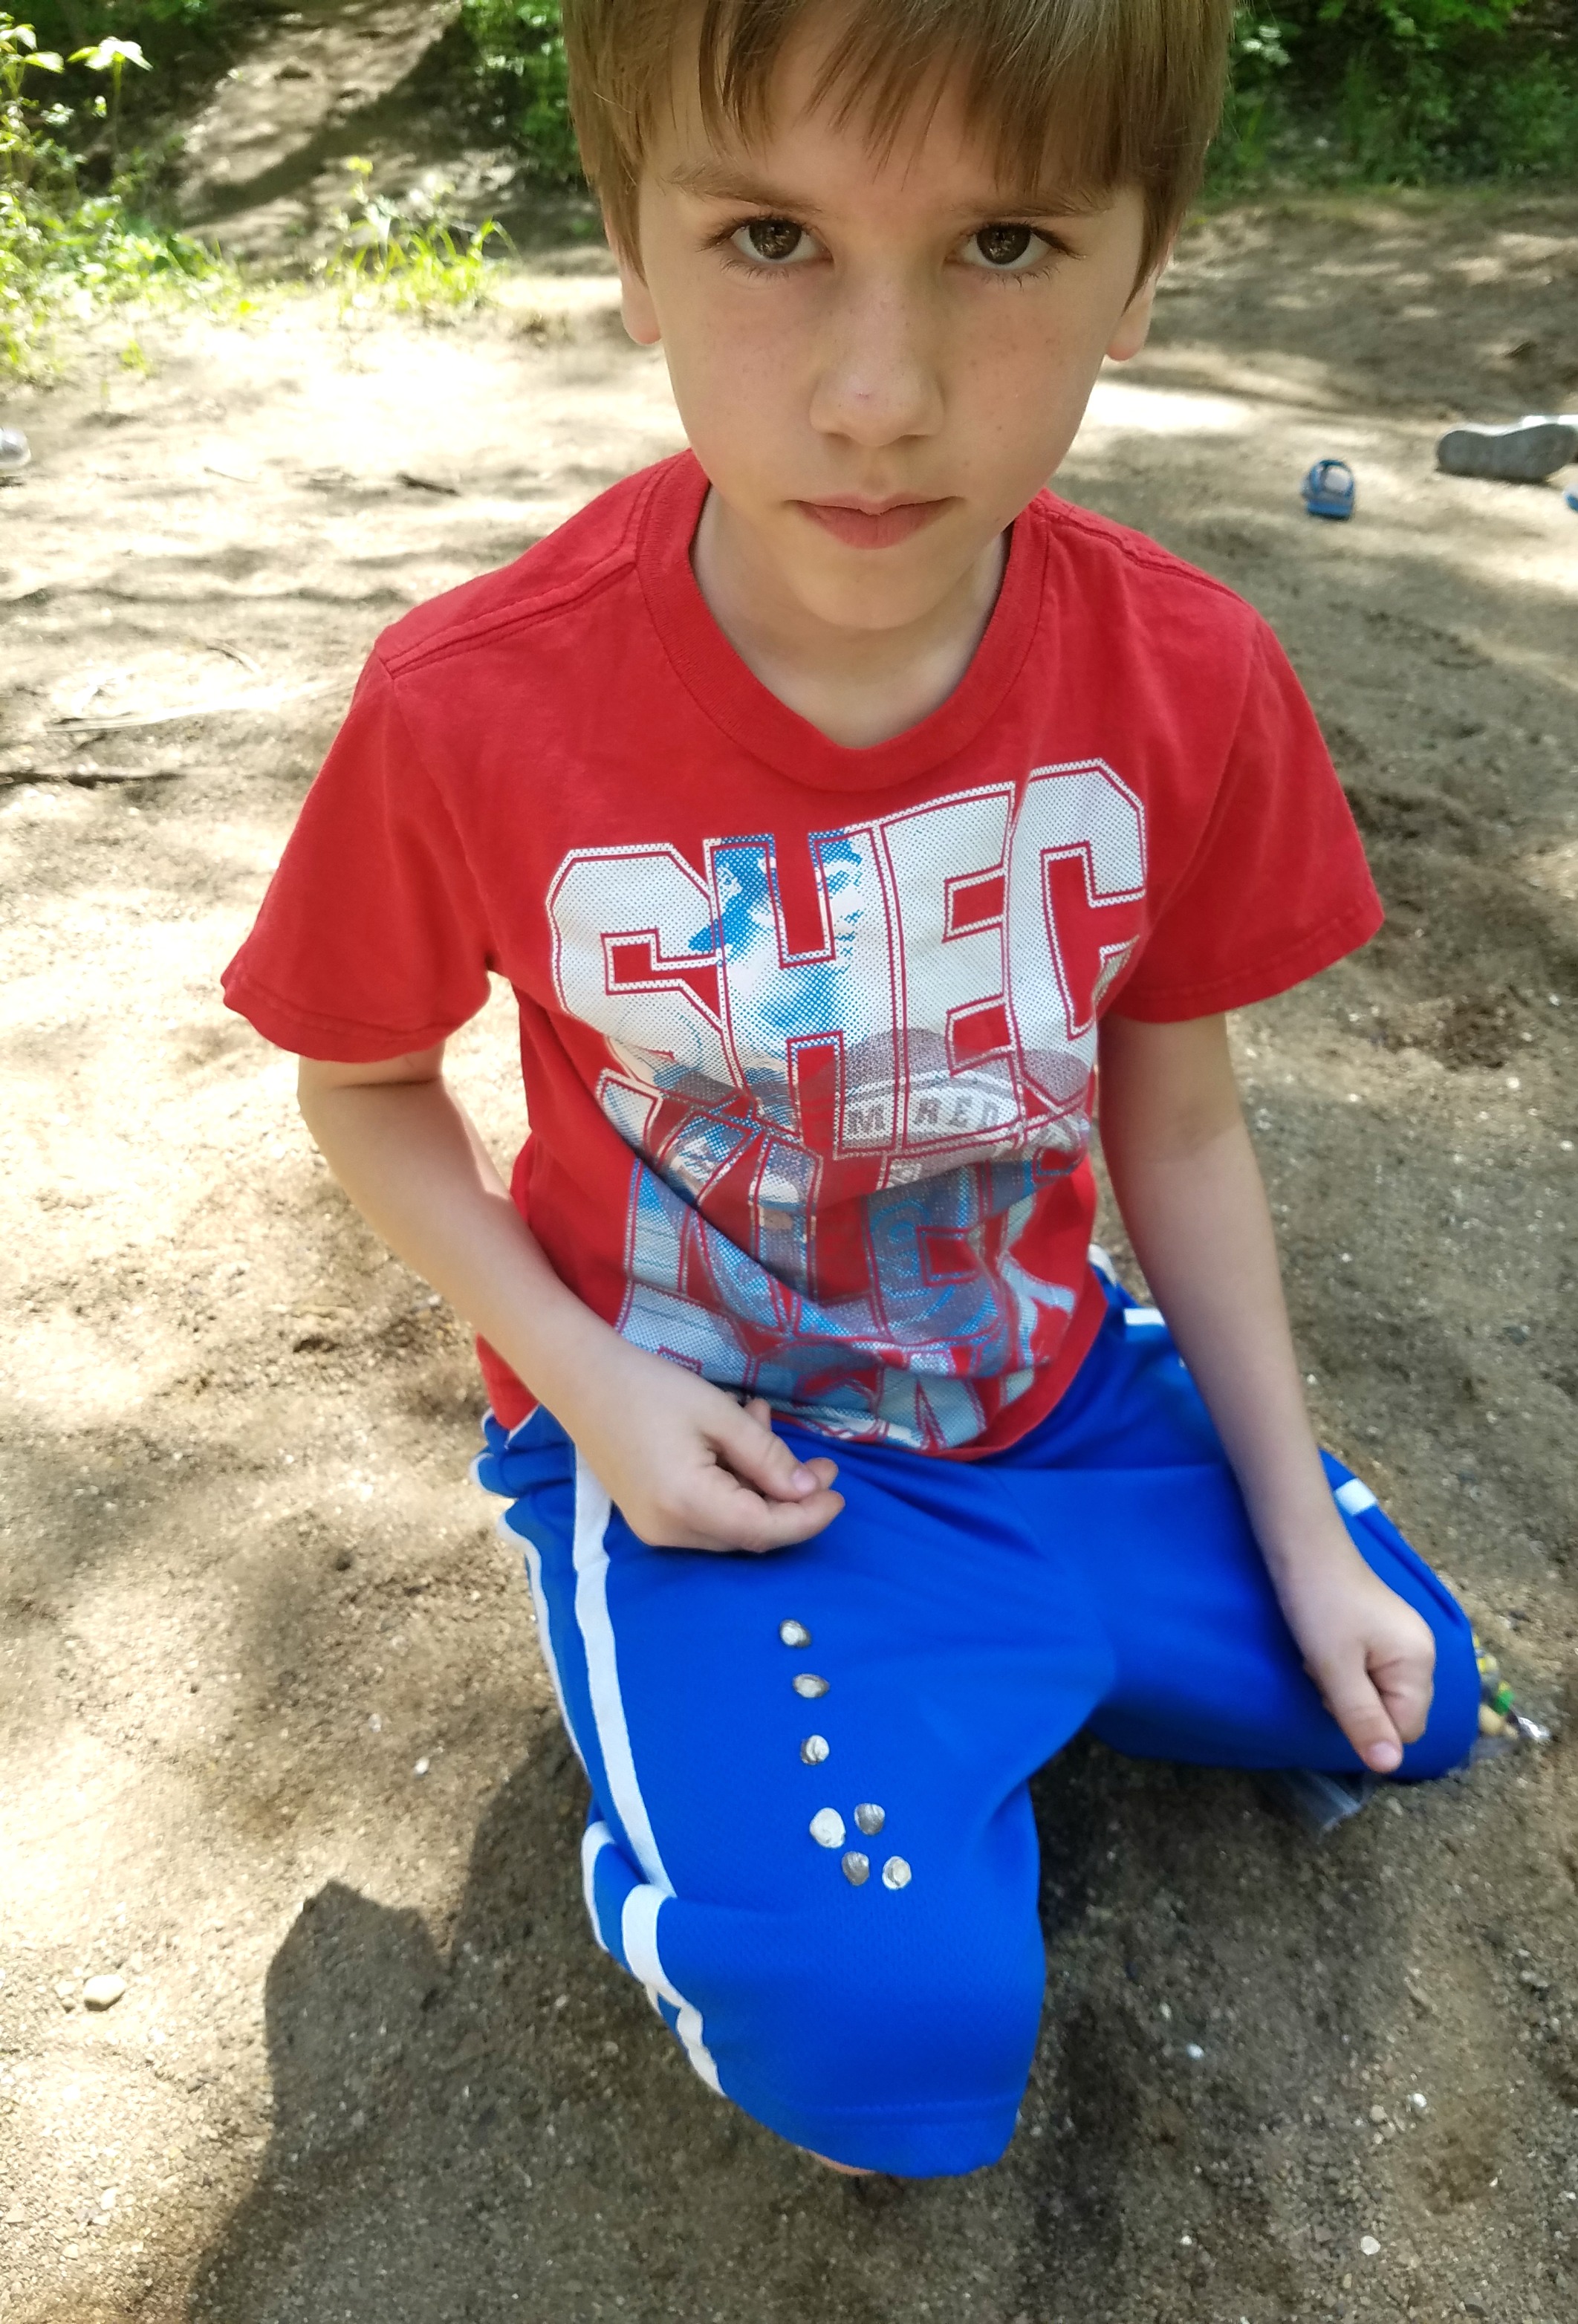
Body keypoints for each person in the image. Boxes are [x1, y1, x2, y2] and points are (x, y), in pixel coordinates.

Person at [221, 0, 1481, 2179]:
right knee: (892, 2058)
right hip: (720, 1451)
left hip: (1047, 1393)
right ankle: (743, 1746)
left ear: (1143, 263)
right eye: (770, 237)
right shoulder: (471, 705)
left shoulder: (1187, 673)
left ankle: (1032, 1606)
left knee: (1415, 1701)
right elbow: (364, 1089)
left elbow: (1177, 1119)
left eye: (1003, 244)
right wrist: (592, 1383)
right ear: (630, 243)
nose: (879, 397)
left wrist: (1298, 1527)